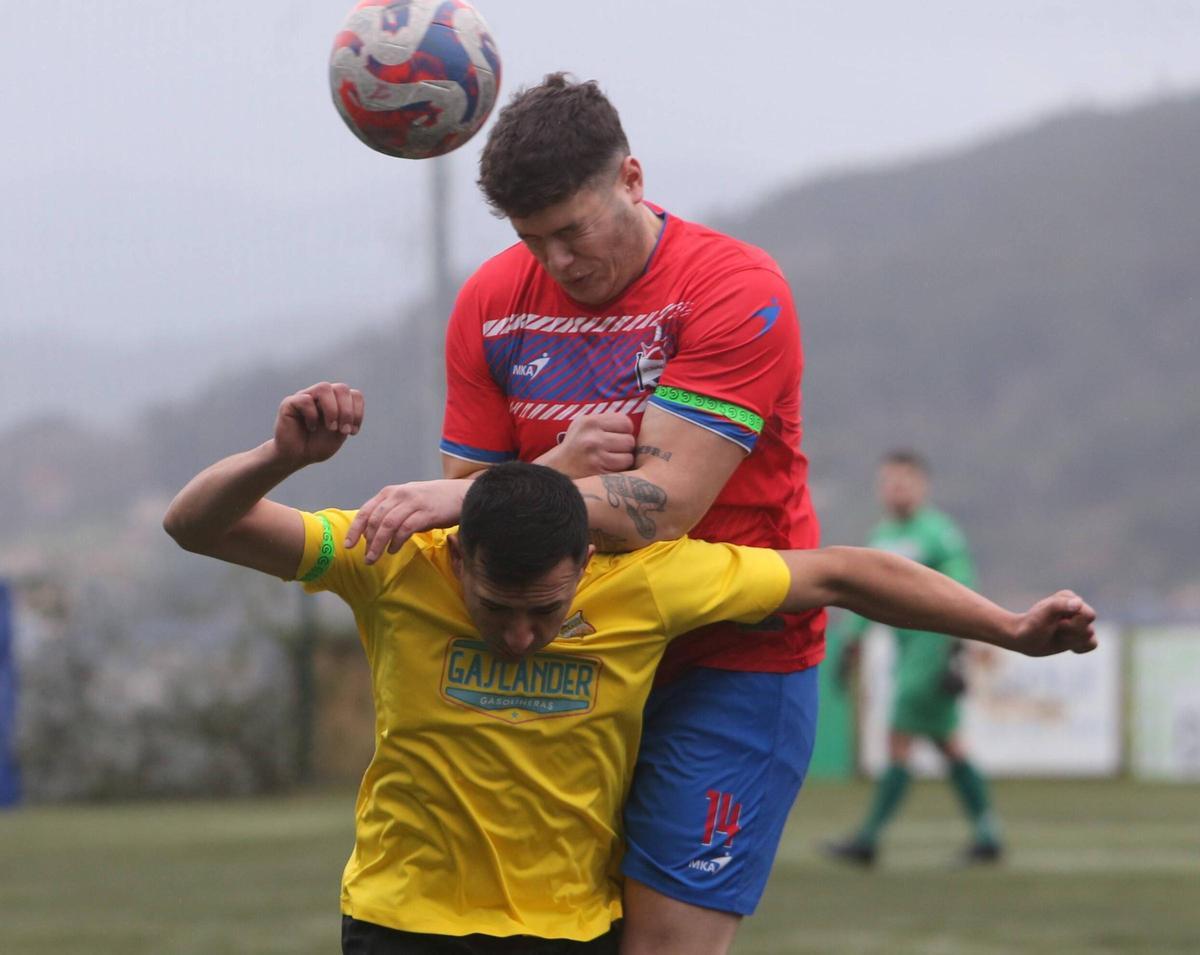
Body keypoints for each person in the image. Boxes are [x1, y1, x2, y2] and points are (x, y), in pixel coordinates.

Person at [162, 382, 1097, 954]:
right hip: (403, 925)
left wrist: (1010, 628)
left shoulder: (645, 582)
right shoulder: (393, 561)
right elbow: (195, 523)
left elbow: (843, 571)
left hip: (572, 932)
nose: (522, 636)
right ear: (458, 558)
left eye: (547, 612)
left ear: (588, 564)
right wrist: (278, 456)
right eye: (497, 610)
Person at [345, 73, 823, 954]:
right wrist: (545, 474)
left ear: (632, 180)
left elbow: (664, 505)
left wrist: (479, 490)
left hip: (727, 660)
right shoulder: (493, 302)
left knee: (659, 946)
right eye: (534, 239)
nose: (558, 261)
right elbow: (496, 533)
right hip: (570, 650)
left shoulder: (731, 288)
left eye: (573, 230)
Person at [825, 450, 1001, 866]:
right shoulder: (882, 536)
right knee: (949, 744)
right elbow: (865, 592)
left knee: (899, 738)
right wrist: (853, 641)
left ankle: (868, 839)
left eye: (904, 481)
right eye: (888, 481)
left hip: (933, 646)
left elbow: (962, 585)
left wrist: (957, 647)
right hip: (905, 651)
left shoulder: (939, 533)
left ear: (922, 486)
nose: (895, 489)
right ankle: (987, 834)